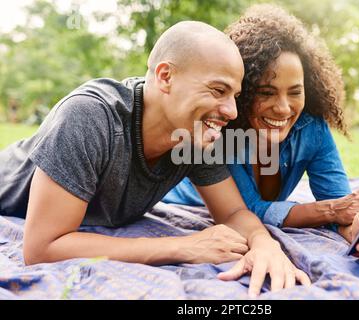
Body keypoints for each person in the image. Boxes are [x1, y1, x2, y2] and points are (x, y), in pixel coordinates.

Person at [0, 21, 310, 297]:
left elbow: (233, 212)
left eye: (234, 96)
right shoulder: (89, 117)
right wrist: (181, 246)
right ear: (165, 76)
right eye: (218, 90)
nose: (231, 111)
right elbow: (42, 248)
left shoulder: (194, 136)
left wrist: (265, 245)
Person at [163, 5, 359, 262]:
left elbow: (339, 204)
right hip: (183, 200)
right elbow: (247, 210)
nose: (283, 108)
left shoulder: (312, 130)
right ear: (242, 92)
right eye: (266, 92)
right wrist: (330, 210)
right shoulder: (221, 131)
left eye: (295, 92)